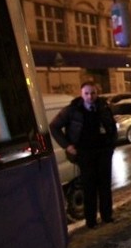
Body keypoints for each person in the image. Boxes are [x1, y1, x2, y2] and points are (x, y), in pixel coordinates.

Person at [50, 81, 118, 229]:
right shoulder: (72, 110)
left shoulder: (104, 107)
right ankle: (91, 221)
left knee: (105, 186)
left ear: (97, 93)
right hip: (84, 154)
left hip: (103, 152)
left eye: (92, 93)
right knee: (89, 187)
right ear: (81, 94)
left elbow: (112, 127)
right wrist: (67, 146)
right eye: (86, 93)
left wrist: (111, 146)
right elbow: (54, 126)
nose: (90, 96)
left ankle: (107, 216)